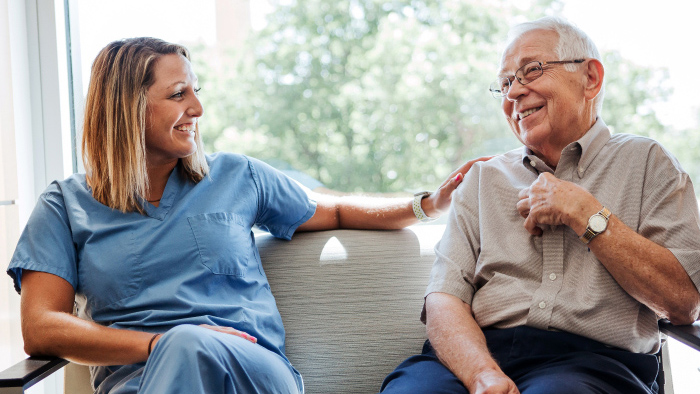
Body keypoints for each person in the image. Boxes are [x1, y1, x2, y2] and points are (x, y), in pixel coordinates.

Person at [5, 37, 486, 394]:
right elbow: (41, 328)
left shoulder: (235, 176)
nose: (197, 107)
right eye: (178, 95)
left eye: (196, 90)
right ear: (127, 108)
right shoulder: (65, 204)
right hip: (139, 381)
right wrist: (156, 343)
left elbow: (334, 211)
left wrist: (427, 204)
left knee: (189, 345)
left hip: (252, 374)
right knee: (184, 345)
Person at [379, 16, 700, 394]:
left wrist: (585, 213)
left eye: (531, 71)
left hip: (595, 365)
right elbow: (445, 298)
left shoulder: (648, 162)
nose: (514, 93)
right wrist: (482, 375)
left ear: (591, 78)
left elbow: (682, 304)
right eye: (505, 84)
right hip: (474, 359)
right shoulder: (483, 180)